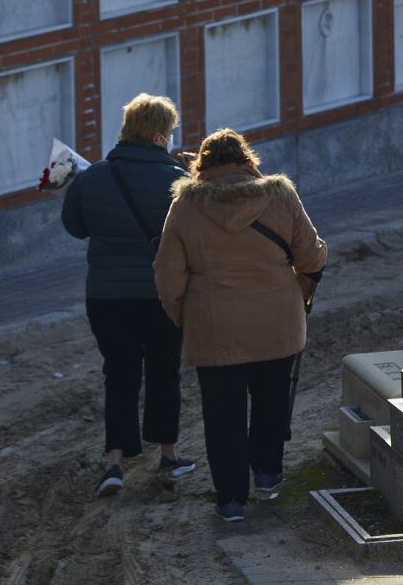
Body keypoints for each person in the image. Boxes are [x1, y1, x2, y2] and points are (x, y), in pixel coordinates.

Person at [154, 129, 327, 522]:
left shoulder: (184, 206)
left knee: (222, 413)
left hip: (214, 323)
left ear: (202, 166)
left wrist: (183, 314)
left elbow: (167, 273)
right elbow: (312, 253)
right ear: (248, 160)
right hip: (277, 320)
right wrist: (297, 292)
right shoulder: (280, 194)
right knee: (271, 399)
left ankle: (230, 499)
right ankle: (267, 476)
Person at [62, 93, 195, 498]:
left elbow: (75, 227)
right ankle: (168, 455)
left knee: (118, 375)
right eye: (170, 133)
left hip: (106, 297)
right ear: (158, 136)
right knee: (163, 371)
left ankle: (115, 464)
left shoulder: (91, 177)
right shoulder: (178, 182)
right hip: (161, 295)